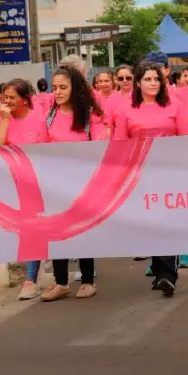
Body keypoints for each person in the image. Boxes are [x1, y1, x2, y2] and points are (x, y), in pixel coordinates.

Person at [113, 61, 188, 296]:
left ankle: (168, 274)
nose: (152, 83)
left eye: (156, 79)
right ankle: (159, 269)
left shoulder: (175, 105)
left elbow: (187, 138)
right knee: (150, 222)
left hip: (169, 173)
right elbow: (120, 144)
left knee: (168, 221)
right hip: (140, 175)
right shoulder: (126, 109)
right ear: (138, 83)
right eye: (147, 79)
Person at [40, 65, 112, 302]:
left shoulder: (91, 115)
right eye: (54, 88)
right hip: (55, 184)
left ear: (75, 88)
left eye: (63, 87)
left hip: (83, 183)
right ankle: (61, 282)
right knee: (58, 231)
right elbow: (39, 148)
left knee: (81, 231)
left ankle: (88, 280)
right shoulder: (49, 116)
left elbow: (101, 148)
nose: (57, 92)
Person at [0, 78, 49, 300]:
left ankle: (31, 279)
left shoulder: (39, 119)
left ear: (25, 99)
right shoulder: (1, 118)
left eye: (12, 97)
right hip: (9, 183)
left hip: (35, 183)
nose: (7, 101)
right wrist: (4, 120)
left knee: (32, 229)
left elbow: (47, 150)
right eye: (5, 97)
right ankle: (30, 271)